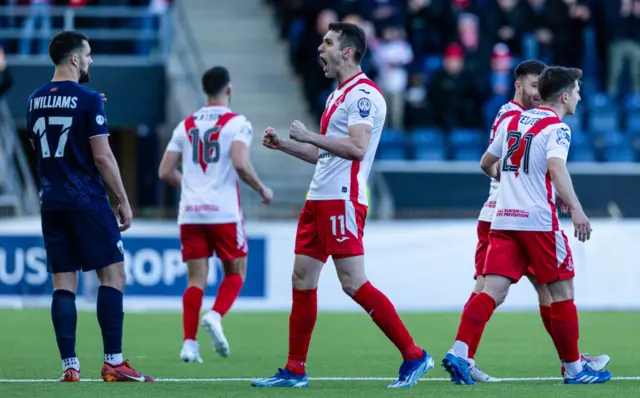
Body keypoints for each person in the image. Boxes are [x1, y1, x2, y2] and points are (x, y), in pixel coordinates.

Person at [251, 22, 433, 389]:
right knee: (301, 278)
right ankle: (294, 369)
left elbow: (357, 149)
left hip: (342, 199)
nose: (321, 48)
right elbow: (324, 154)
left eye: (328, 42)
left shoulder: (363, 96)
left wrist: (305, 134)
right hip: (319, 198)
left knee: (353, 282)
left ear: (348, 51)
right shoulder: (338, 95)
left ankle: (414, 354)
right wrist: (286, 144)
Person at [442, 66, 612, 385]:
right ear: (564, 96)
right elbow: (556, 167)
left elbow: (485, 163)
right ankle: (575, 369)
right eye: (576, 91)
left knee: (490, 290)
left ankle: (459, 351)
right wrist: (575, 209)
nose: (578, 96)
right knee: (562, 290)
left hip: (505, 219)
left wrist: (512, 184)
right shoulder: (557, 128)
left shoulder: (512, 120)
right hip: (537, 221)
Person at [27, 31, 152, 382]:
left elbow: (42, 151)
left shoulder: (34, 99)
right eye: (89, 54)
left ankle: (70, 365)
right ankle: (114, 361)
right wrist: (122, 200)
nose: (91, 60)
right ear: (75, 59)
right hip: (87, 201)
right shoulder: (88, 98)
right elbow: (103, 156)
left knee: (62, 283)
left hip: (51, 202)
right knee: (113, 275)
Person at [158, 66, 273, 363]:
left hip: (191, 213)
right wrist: (261, 188)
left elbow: (165, 171)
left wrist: (192, 186)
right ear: (229, 90)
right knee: (236, 272)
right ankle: (216, 315)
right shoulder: (237, 123)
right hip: (223, 212)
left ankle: (189, 344)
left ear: (204, 91)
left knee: (196, 280)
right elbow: (240, 162)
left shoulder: (186, 125)